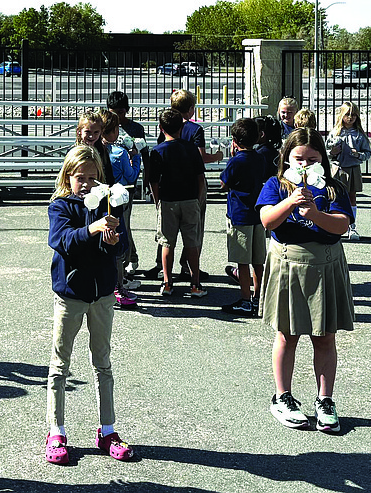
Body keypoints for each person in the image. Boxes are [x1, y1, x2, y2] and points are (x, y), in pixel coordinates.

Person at [256, 128, 354, 433]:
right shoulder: (276, 184)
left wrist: (314, 214)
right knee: (287, 334)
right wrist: (291, 201)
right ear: (287, 158)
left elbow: (342, 225)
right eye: (298, 158)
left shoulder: (333, 187)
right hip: (289, 263)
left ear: (322, 160)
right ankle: (282, 396)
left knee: (325, 336)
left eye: (312, 159)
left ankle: (325, 400)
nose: (304, 164)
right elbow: (268, 220)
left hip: (325, 264)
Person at [45, 145, 133, 464]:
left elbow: (120, 245)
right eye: (80, 177)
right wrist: (92, 229)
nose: (86, 184)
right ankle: (56, 431)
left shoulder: (108, 202)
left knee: (103, 362)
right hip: (70, 294)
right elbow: (62, 241)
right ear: (68, 177)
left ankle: (107, 430)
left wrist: (114, 242)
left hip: (103, 295)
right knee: (60, 364)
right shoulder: (61, 206)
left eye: (92, 178)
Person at [146, 89, 222, 281]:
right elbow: (201, 157)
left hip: (168, 190)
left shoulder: (165, 125)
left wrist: (156, 198)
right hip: (190, 185)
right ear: (190, 109)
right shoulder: (195, 129)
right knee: (194, 231)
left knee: (166, 235)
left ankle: (163, 270)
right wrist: (218, 156)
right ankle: (188, 268)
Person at [149, 108, 207, 298]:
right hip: (190, 200)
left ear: (160, 128)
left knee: (167, 243)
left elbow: (153, 181)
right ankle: (195, 284)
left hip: (168, 201)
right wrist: (198, 199)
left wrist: (158, 201)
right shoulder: (190, 148)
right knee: (192, 243)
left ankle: (167, 282)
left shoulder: (157, 151)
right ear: (181, 127)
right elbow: (200, 178)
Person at [219, 118, 267, 316]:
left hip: (240, 214)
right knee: (258, 261)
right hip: (258, 213)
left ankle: (245, 299)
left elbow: (224, 184)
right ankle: (259, 298)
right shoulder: (260, 158)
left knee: (242, 261)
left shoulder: (236, 161)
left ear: (235, 140)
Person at [100, 109, 141, 307]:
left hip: (100, 200)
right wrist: (136, 156)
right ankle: (118, 285)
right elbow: (132, 175)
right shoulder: (119, 153)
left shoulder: (97, 151)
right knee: (119, 242)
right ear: (114, 130)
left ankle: (111, 284)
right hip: (119, 199)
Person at [106, 91, 149, 276]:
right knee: (114, 224)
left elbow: (144, 152)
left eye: (121, 113)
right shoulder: (105, 126)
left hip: (127, 186)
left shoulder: (136, 129)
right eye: (114, 112)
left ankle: (130, 259)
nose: (118, 117)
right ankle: (124, 260)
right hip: (108, 185)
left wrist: (146, 177)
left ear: (128, 111)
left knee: (124, 224)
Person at [326, 102, 371, 241]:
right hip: (337, 169)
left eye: (353, 115)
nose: (350, 118)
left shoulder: (359, 135)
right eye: (347, 114)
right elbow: (326, 152)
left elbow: (367, 153)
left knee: (352, 198)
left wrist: (358, 155)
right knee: (334, 197)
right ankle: (332, 226)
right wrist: (332, 152)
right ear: (341, 116)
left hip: (353, 169)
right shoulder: (335, 133)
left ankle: (352, 227)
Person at [75, 111, 115, 186]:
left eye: (96, 132)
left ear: (101, 132)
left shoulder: (102, 151)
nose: (91, 136)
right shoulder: (73, 152)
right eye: (88, 132)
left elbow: (109, 177)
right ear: (79, 131)